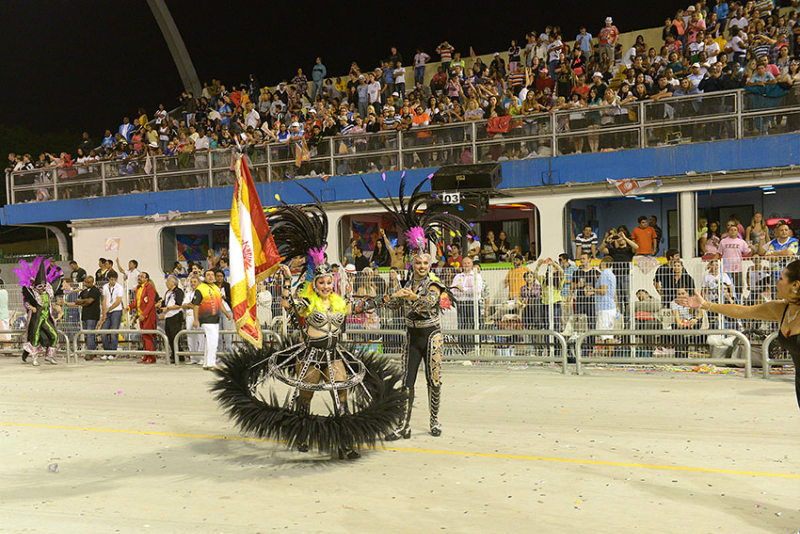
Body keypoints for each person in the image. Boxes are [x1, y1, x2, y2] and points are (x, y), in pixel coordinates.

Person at [212, 189, 406, 460]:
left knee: (342, 398)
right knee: (305, 396)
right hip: (311, 356)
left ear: (333, 283)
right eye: (322, 282)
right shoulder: (307, 303)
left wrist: (389, 296)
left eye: (329, 282)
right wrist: (286, 278)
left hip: (335, 355)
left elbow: (365, 305)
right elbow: (292, 303)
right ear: (315, 285)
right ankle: (302, 435)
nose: (326, 286)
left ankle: (345, 443)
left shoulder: (341, 303)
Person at [362, 175, 469, 440]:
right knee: (406, 383)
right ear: (412, 263)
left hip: (431, 336)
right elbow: (392, 303)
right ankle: (403, 425)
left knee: (433, 381)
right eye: (418, 263)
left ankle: (434, 421)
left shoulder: (434, 283)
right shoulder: (407, 282)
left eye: (425, 263)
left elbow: (431, 303)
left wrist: (410, 297)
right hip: (411, 337)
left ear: (430, 263)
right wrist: (369, 304)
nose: (421, 266)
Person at [14, 257, 64, 366]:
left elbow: (50, 302)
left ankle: (50, 356)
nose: (42, 288)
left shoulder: (48, 291)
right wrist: (31, 307)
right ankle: (35, 358)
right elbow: (27, 302)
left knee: (54, 335)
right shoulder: (31, 292)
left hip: (46, 318)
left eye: (43, 286)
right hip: (36, 318)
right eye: (39, 287)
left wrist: (56, 305)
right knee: (34, 337)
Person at [192, 269, 230, 370]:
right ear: (204, 277)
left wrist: (227, 313)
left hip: (215, 318)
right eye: (208, 275)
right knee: (213, 341)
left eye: (212, 275)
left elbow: (220, 303)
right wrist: (196, 319)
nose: (211, 277)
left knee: (209, 341)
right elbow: (195, 305)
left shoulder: (216, 288)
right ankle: (211, 363)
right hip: (206, 318)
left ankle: (206, 363)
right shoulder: (200, 288)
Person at [68, 276, 101, 361]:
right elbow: (77, 301)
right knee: (87, 335)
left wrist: (83, 302)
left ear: (92, 282)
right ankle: (91, 351)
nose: (86, 284)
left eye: (88, 282)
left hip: (93, 315)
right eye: (85, 282)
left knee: (90, 334)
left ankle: (90, 353)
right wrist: (84, 302)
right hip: (85, 315)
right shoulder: (84, 292)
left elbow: (89, 301)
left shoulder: (95, 291)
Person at [451, 257, 482, 344]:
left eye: (468, 263)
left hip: (473, 304)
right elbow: (452, 290)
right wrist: (466, 290)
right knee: (461, 325)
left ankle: (475, 346)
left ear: (472, 264)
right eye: (465, 263)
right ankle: (462, 346)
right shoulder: (458, 276)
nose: (466, 265)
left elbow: (477, 291)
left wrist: (463, 289)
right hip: (460, 304)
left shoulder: (477, 276)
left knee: (474, 325)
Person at [128, 272, 157, 364]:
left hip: (148, 316)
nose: (139, 278)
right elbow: (136, 302)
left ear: (146, 279)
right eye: (139, 276)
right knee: (144, 336)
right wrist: (129, 307)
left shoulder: (149, 288)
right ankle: (146, 355)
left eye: (142, 276)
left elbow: (150, 303)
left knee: (148, 336)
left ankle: (151, 357)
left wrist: (144, 314)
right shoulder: (138, 288)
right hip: (141, 316)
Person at [719, 219, 752, 297]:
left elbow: (748, 252)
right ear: (728, 231)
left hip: (738, 268)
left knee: (738, 287)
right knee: (726, 287)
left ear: (738, 232)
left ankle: (739, 302)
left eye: (735, 230)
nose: (733, 231)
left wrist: (752, 248)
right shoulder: (723, 242)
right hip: (726, 268)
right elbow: (719, 253)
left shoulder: (741, 242)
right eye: (731, 230)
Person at [593, 256, 617, 353]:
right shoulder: (611, 274)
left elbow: (603, 291)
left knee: (606, 333)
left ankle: (609, 355)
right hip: (610, 306)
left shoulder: (604, 274)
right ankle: (610, 355)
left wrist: (592, 289)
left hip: (605, 307)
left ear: (603, 263)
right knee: (609, 333)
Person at [99, 272, 124, 360]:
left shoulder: (119, 287)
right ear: (108, 279)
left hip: (116, 311)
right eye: (112, 279)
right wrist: (104, 312)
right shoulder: (105, 287)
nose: (113, 281)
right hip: (107, 311)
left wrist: (108, 309)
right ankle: (107, 352)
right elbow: (104, 299)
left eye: (115, 280)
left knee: (114, 332)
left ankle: (113, 353)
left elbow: (118, 301)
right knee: (103, 331)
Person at [160, 275, 185, 363]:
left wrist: (169, 308)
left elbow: (179, 304)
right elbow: (164, 303)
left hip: (175, 316)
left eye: (168, 281)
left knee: (175, 336)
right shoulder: (168, 292)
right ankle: (174, 353)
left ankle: (178, 355)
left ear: (173, 282)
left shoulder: (178, 292)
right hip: (168, 316)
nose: (166, 283)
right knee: (169, 336)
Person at [571, 252, 598, 329]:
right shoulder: (577, 272)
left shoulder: (595, 272)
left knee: (592, 322)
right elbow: (571, 287)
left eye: (583, 259)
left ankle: (591, 339)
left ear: (589, 259)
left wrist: (593, 290)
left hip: (592, 300)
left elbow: (602, 288)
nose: (582, 260)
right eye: (581, 259)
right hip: (580, 300)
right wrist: (577, 285)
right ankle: (578, 338)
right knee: (578, 321)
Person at [182, 275, 203, 364]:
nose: (193, 283)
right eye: (192, 282)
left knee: (200, 336)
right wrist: (189, 305)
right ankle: (193, 358)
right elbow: (183, 305)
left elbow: (196, 305)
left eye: (195, 282)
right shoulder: (188, 292)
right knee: (190, 336)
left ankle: (202, 357)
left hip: (198, 315)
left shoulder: (200, 292)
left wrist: (189, 305)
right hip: (188, 315)